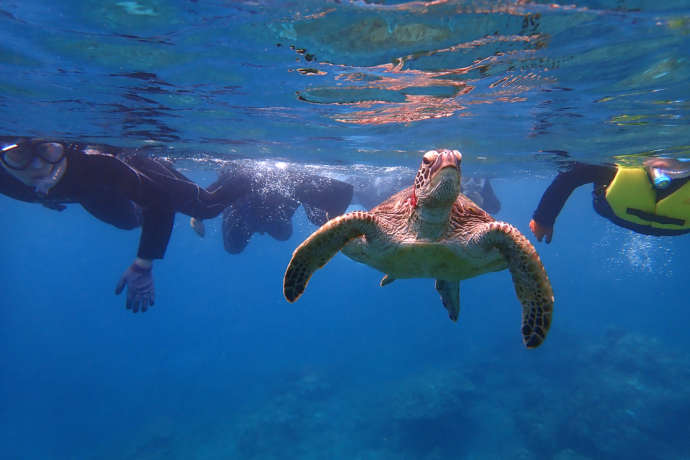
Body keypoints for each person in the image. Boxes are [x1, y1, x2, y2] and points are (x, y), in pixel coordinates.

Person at [0, 139, 252, 312]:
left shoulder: (99, 164)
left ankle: (253, 173)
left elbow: (159, 203)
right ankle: (167, 181)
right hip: (92, 193)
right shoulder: (6, 180)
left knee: (206, 207)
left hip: (129, 168)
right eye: (18, 154)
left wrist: (143, 264)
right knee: (129, 222)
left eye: (49, 150)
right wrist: (46, 198)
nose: (38, 166)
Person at [189, 161, 354, 253]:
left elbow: (344, 191)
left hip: (274, 216)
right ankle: (235, 211)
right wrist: (197, 216)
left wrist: (333, 220)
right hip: (244, 213)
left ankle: (306, 207)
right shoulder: (247, 176)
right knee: (233, 247)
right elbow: (215, 191)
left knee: (285, 234)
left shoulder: (294, 179)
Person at [529, 158, 690, 243]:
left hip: (671, 224)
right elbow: (572, 176)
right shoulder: (619, 167)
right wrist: (543, 218)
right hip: (613, 207)